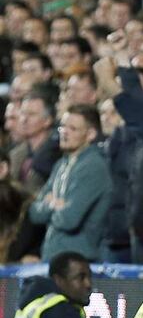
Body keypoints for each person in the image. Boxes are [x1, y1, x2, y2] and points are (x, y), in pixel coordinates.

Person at [28, 105, 112, 261]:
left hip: (78, 263)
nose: (64, 133)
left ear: (91, 134)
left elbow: (69, 219)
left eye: (73, 129)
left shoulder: (93, 166)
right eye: (63, 127)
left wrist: (49, 205)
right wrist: (53, 205)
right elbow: (34, 213)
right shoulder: (60, 165)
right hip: (55, 259)